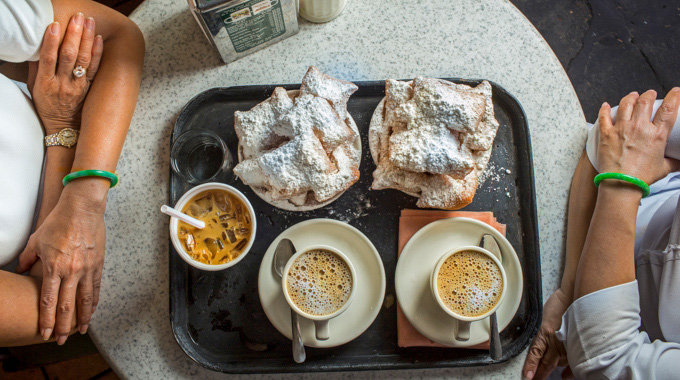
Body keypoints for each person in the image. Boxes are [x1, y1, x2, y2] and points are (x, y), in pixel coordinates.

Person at [0, 0, 144, 347]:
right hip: (81, 270)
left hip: (104, 142)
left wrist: (84, 199)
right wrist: (62, 129)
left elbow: (119, 36)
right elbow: (48, 314)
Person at [522, 87, 680, 379]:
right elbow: (616, 132)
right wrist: (570, 290)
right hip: (595, 212)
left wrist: (624, 180)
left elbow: (606, 360)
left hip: (599, 343)